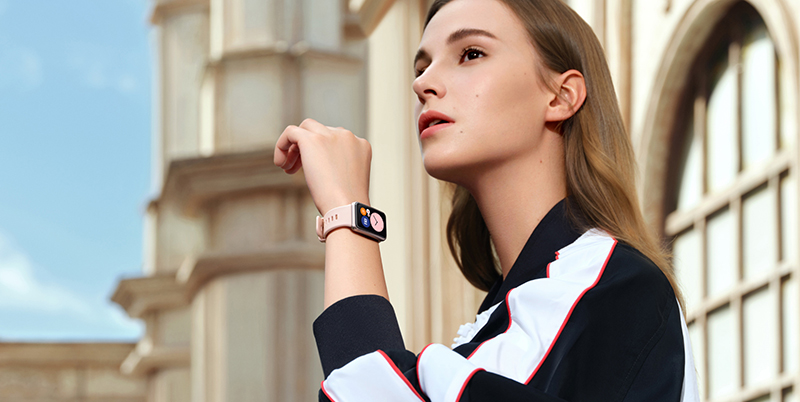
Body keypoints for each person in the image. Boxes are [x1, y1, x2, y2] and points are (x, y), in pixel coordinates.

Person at [274, 0, 700, 400]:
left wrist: (348, 213)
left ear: (561, 96)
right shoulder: (510, 316)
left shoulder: (614, 287)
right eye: (422, 67)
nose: (422, 83)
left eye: (471, 53)